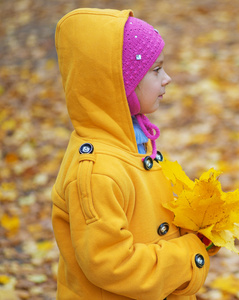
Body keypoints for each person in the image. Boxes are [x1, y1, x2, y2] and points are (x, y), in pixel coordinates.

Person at [51, 8, 217, 300]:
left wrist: (201, 229)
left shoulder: (134, 143)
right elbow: (113, 265)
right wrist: (189, 252)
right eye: (155, 70)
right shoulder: (97, 171)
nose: (168, 78)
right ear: (118, 86)